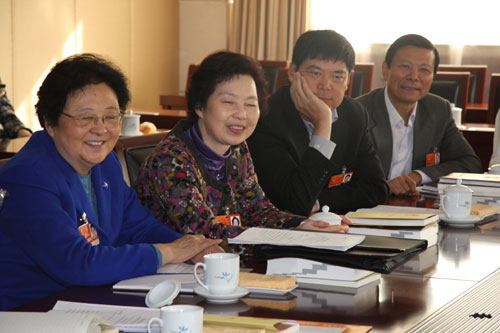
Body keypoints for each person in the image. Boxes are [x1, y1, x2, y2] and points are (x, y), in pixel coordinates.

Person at [0, 54, 222, 310]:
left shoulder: (105, 164)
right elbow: (77, 264)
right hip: (32, 312)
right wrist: (170, 252)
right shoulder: (28, 177)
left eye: (111, 116)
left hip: (89, 301)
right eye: (85, 118)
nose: (101, 129)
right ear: (50, 122)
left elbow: (138, 226)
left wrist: (193, 249)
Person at [134, 51, 350, 245]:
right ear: (200, 105)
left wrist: (302, 225)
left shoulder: (237, 150)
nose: (242, 114)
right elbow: (205, 233)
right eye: (229, 102)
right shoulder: (170, 160)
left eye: (250, 104)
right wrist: (289, 235)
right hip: (169, 278)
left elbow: (257, 210)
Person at [246, 30, 389, 217]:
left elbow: (377, 189)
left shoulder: (354, 113)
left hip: (334, 229)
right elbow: (294, 202)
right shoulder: (266, 118)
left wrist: (320, 202)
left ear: (348, 80)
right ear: (292, 73)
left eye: (338, 76)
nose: (326, 85)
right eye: (315, 73)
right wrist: (323, 123)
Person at [356, 34, 482, 196]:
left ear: (433, 76)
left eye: (424, 69)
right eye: (405, 66)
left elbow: (470, 163)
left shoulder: (438, 109)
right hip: (365, 207)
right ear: (385, 70)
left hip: (415, 207)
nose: (414, 77)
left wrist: (418, 176)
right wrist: (385, 187)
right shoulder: (359, 111)